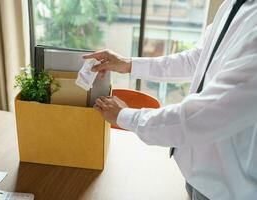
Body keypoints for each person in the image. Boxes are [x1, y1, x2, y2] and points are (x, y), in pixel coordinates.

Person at [82, 0, 257, 199]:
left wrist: (125, 116)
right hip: (198, 172)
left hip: (229, 188)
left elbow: (199, 116)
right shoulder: (232, 5)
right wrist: (128, 64)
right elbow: (198, 58)